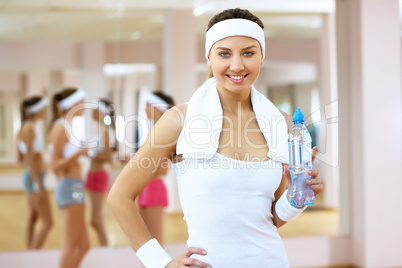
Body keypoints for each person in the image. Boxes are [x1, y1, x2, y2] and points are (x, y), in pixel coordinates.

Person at [108, 8, 324, 268]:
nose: (237, 65)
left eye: (248, 52)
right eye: (224, 53)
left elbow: (273, 218)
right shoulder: (179, 121)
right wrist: (160, 263)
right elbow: (119, 197)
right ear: (209, 57)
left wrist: (297, 196)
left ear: (262, 57)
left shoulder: (281, 122)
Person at [48, 88, 90, 268]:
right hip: (71, 187)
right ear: (72, 104)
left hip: (74, 185)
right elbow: (54, 165)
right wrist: (79, 153)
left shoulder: (66, 126)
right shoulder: (60, 128)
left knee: (84, 245)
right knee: (71, 244)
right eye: (82, 102)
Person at [137, 91, 175, 246]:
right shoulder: (154, 130)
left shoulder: (165, 131)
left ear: (156, 108)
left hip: (154, 188)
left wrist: (139, 164)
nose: (145, 110)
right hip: (145, 187)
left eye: (147, 106)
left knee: (155, 244)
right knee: (143, 245)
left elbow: (163, 168)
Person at [17, 95, 53, 250]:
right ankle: (33, 253)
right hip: (35, 178)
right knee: (48, 222)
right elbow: (30, 158)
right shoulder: (29, 128)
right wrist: (38, 183)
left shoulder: (25, 127)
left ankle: (29, 253)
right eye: (44, 108)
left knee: (32, 218)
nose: (46, 111)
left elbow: (20, 158)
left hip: (32, 177)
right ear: (37, 110)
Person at [85, 98, 116, 246]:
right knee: (97, 218)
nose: (92, 113)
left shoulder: (105, 132)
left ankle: (105, 246)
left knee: (94, 220)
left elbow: (109, 157)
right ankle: (104, 247)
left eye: (95, 111)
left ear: (101, 113)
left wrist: (90, 154)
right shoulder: (100, 130)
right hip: (92, 174)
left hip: (99, 175)